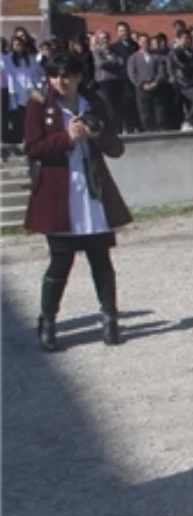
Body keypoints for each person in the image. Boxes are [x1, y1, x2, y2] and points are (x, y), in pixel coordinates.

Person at [23, 53, 132, 351]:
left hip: (92, 192)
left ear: (78, 77)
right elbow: (32, 148)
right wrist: (67, 138)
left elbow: (116, 148)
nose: (61, 81)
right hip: (59, 194)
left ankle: (110, 321)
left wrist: (97, 135)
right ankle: (48, 323)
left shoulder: (92, 103)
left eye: (67, 75)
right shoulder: (39, 104)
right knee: (60, 262)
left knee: (101, 261)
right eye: (55, 76)